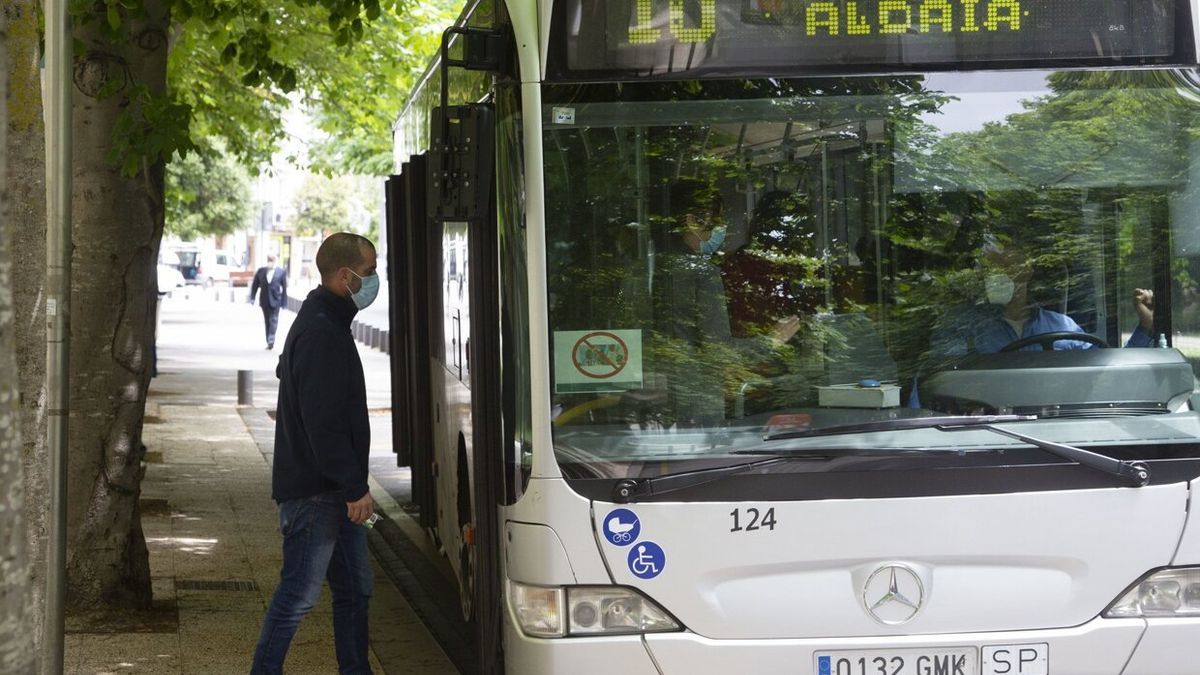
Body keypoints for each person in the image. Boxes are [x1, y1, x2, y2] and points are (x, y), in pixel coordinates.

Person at [251, 233, 379, 675]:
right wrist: (354, 486)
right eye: (369, 271)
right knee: (297, 598)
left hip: (327, 491)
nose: (374, 280)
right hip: (317, 493)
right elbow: (323, 423)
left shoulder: (323, 319)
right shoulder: (322, 331)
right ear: (345, 276)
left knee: (355, 589)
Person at [249, 255, 288, 350]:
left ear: (275, 261)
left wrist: (284, 302)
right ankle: (268, 340)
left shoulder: (281, 272)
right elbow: (255, 285)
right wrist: (252, 297)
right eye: (269, 260)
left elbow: (284, 289)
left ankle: (271, 339)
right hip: (264, 300)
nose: (270, 262)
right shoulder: (261, 271)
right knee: (267, 321)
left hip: (276, 300)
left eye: (272, 260)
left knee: (274, 320)